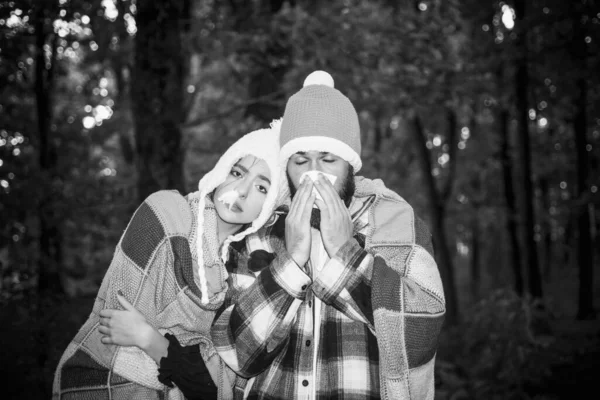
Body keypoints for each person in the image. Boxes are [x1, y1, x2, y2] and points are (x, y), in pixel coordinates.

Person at [211, 71, 446, 399]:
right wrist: (289, 264)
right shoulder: (255, 238)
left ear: (351, 166)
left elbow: (422, 331)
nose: (313, 173)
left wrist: (345, 253)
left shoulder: (398, 226)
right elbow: (237, 355)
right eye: (300, 160)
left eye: (328, 159)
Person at [52, 120, 284, 400]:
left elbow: (217, 386)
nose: (242, 190)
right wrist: (180, 363)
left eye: (261, 188)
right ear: (221, 170)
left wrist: (153, 341)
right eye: (237, 172)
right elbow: (114, 328)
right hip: (99, 384)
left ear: (270, 206)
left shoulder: (241, 273)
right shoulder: (165, 214)